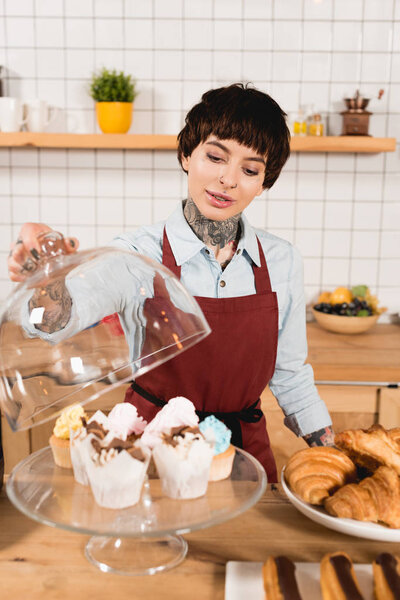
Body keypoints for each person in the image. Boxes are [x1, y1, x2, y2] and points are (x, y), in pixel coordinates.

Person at [7, 83, 333, 483]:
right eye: (215, 157)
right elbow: (54, 321)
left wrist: (333, 451)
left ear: (265, 182)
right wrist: (47, 276)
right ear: (186, 155)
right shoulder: (136, 254)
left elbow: (291, 373)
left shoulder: (282, 260)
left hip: (241, 457)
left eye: (250, 169)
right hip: (147, 452)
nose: (228, 179)